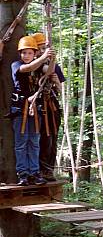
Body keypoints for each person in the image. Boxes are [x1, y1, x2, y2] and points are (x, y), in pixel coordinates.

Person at [9, 36, 52, 186]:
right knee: (21, 143)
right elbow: (28, 68)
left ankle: (35, 172)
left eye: (29, 53)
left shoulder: (40, 66)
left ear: (34, 53)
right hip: (20, 110)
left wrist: (52, 58)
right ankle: (23, 174)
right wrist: (44, 57)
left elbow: (49, 71)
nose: (26, 56)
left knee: (34, 142)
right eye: (23, 53)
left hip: (36, 111)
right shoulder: (16, 65)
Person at [32, 32, 64, 181]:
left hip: (51, 106)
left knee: (52, 138)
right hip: (37, 106)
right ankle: (37, 169)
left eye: (43, 47)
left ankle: (48, 170)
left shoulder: (53, 66)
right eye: (40, 48)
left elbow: (60, 89)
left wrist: (56, 82)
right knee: (40, 138)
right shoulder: (33, 65)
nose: (42, 51)